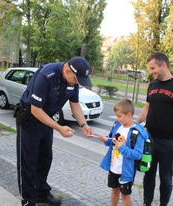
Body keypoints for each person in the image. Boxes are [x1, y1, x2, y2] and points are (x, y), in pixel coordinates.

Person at [16, 57, 94, 206]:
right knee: (28, 162)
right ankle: (28, 200)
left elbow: (75, 103)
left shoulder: (73, 80)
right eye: (76, 79)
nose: (77, 83)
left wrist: (83, 124)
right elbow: (35, 110)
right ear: (66, 70)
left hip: (47, 120)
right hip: (30, 120)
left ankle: (42, 193)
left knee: (45, 159)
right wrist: (59, 128)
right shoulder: (46, 75)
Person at [136, 52, 173, 206]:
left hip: (169, 141)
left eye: (153, 68)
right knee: (148, 175)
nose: (151, 71)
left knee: (166, 178)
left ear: (164, 65)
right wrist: (134, 124)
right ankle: (146, 203)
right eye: (150, 68)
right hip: (149, 140)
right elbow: (147, 108)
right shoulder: (152, 84)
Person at [98, 97, 148, 206]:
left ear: (129, 115)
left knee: (125, 195)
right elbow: (112, 140)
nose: (117, 118)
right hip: (114, 166)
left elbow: (137, 154)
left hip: (126, 170)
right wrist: (106, 140)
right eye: (116, 115)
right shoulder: (117, 125)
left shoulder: (137, 132)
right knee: (114, 190)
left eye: (119, 116)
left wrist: (121, 148)